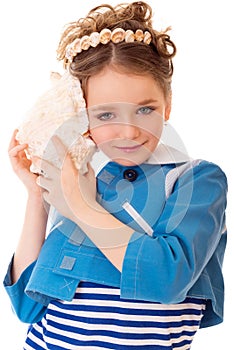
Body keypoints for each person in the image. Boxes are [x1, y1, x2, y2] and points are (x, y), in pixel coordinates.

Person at [4, 1, 228, 349]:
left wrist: (82, 206)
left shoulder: (194, 180)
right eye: (106, 115)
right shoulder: (80, 178)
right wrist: (38, 197)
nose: (128, 131)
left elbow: (168, 279)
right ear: (83, 117)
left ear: (167, 104)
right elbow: (28, 305)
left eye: (145, 109)